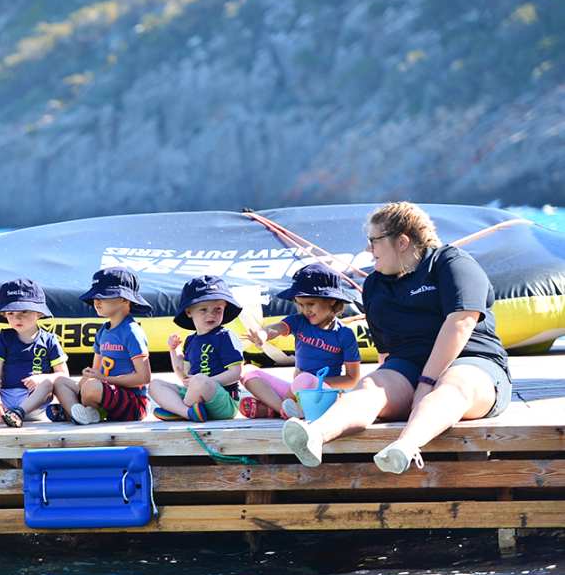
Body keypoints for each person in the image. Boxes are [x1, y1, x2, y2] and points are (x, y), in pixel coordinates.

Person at [281, 202, 513, 473]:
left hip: (473, 362)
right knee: (371, 387)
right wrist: (395, 391)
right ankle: (315, 435)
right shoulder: (375, 285)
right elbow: (386, 353)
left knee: (452, 385)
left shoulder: (451, 263)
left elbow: (461, 322)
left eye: (374, 240)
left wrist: (426, 383)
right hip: (409, 367)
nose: (369, 249)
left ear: (402, 241)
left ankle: (405, 446)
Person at [240, 262, 362, 419]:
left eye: (311, 304)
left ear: (331, 300)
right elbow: (277, 328)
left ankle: (277, 407)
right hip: (296, 391)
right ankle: (284, 409)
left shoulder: (344, 334)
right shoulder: (299, 321)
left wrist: (316, 382)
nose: (305, 310)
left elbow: (351, 379)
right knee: (248, 371)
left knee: (303, 378)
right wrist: (263, 334)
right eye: (300, 304)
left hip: (322, 394)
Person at [49, 267, 151, 425]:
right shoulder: (103, 331)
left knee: (91, 388)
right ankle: (80, 412)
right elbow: (96, 371)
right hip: (104, 392)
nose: (96, 301)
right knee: (60, 382)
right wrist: (89, 375)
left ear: (125, 299)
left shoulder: (132, 332)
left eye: (103, 296)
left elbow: (143, 378)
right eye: (95, 296)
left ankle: (74, 412)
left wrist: (105, 379)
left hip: (133, 403)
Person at [0, 277, 67, 427]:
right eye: (10, 313)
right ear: (4, 315)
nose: (17, 317)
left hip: (34, 401)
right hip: (4, 397)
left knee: (48, 384)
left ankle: (19, 413)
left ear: (39, 313)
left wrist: (43, 378)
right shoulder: (4, 337)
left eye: (24, 311)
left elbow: (63, 375)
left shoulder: (49, 339)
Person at [148, 275, 245, 422]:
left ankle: (180, 410)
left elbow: (236, 373)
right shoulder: (191, 340)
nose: (211, 314)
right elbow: (184, 376)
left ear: (225, 307)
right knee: (155, 385)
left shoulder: (225, 337)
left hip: (223, 401)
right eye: (203, 309)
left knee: (199, 380)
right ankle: (187, 412)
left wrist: (205, 381)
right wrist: (174, 350)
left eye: (217, 309)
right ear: (189, 312)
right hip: (194, 396)